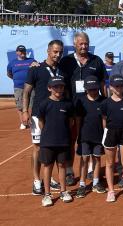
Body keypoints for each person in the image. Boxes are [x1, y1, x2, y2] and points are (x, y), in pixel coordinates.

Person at [23, 40, 65, 196]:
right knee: (38, 147)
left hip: (56, 115)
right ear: (48, 51)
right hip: (37, 115)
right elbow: (26, 91)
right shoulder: (36, 69)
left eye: (60, 52)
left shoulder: (62, 70)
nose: (57, 54)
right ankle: (36, 180)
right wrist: (24, 111)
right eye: (55, 51)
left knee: (52, 148)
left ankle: (50, 177)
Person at [38, 76, 74, 207]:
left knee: (62, 165)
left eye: (61, 86)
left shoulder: (68, 104)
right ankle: (47, 194)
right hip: (47, 142)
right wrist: (48, 134)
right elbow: (41, 122)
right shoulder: (44, 104)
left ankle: (63, 191)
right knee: (47, 166)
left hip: (63, 141)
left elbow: (70, 122)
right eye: (55, 87)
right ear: (49, 88)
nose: (59, 89)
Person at [74, 76, 107, 198]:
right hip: (85, 136)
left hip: (99, 136)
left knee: (97, 159)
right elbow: (78, 120)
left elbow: (105, 120)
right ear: (85, 89)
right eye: (90, 89)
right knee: (84, 159)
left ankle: (96, 182)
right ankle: (82, 184)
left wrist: (105, 136)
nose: (93, 91)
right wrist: (79, 136)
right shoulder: (81, 101)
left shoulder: (104, 101)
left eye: (95, 89)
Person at [7, 45, 36, 129]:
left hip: (31, 87)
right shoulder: (12, 63)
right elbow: (9, 74)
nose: (22, 52)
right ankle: (23, 123)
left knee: (31, 105)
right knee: (20, 106)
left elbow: (37, 71)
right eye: (20, 51)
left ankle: (30, 122)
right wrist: (16, 79)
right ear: (17, 52)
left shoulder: (32, 61)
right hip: (18, 87)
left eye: (23, 51)